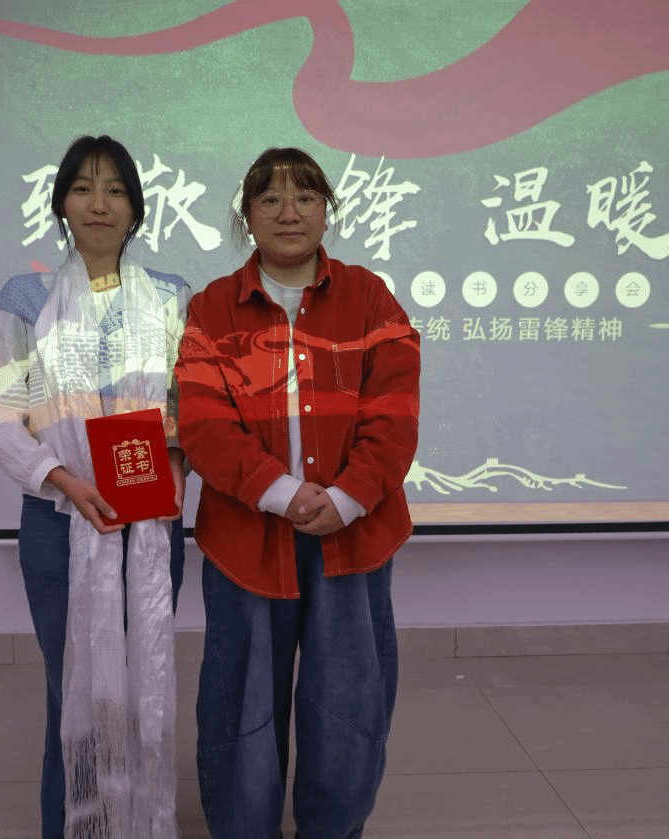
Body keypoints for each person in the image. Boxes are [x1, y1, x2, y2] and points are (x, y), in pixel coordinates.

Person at [175, 147, 420, 838]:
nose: (289, 213)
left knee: (349, 703)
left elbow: (395, 413)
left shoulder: (371, 297)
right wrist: (282, 493)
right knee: (241, 707)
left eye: (306, 197)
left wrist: (345, 498)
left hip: (354, 536)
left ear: (326, 211)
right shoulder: (211, 308)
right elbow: (203, 423)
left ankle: (334, 828)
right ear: (247, 216)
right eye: (271, 199)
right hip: (245, 542)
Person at [0, 135, 190, 839]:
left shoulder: (171, 297)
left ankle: (141, 822)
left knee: (142, 681)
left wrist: (178, 457)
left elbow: (187, 400)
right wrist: (60, 476)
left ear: (136, 209)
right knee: (74, 689)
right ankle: (75, 826)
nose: (100, 203)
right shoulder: (26, 300)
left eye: (116, 189)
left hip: (148, 518)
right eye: (84, 188)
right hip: (59, 519)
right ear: (62, 202)